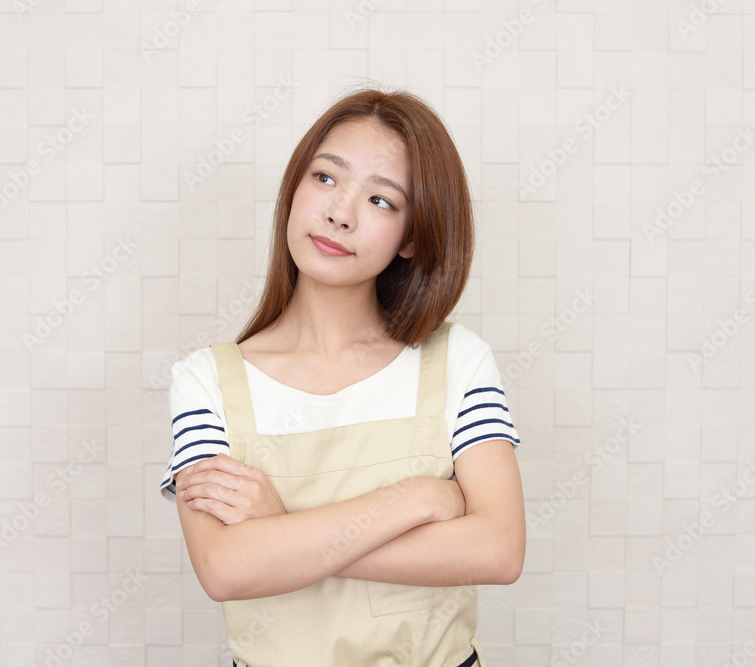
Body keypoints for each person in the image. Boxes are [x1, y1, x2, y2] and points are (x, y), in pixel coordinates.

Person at [159, 87, 525, 667]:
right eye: (326, 177)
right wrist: (413, 499)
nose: (340, 212)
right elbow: (224, 568)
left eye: (381, 200)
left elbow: (499, 550)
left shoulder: (457, 360)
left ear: (412, 237)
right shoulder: (207, 382)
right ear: (295, 188)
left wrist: (283, 532)